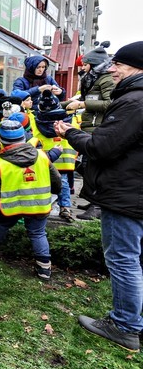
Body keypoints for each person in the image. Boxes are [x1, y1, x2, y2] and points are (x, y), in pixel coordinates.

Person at [55, 41, 143, 352]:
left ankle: (125, 325)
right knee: (132, 258)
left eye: (120, 64)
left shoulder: (134, 103)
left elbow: (102, 146)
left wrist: (70, 133)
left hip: (127, 193)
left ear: (137, 67)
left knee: (123, 259)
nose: (113, 69)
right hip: (133, 189)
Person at [0, 120, 61, 280]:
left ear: (2, 141)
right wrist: (55, 192)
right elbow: (56, 178)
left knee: (2, 225)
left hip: (11, 205)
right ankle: (44, 268)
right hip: (38, 204)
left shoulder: (0, 162)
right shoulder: (41, 156)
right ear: (24, 138)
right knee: (38, 233)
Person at [66, 43, 114, 220]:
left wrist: (83, 104)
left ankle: (97, 205)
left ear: (93, 65)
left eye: (85, 64)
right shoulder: (93, 79)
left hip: (98, 129)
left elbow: (110, 103)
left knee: (92, 167)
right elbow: (80, 100)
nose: (82, 67)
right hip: (90, 127)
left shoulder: (105, 79)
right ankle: (93, 200)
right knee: (87, 167)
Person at [33, 90, 77, 221]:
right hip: (65, 160)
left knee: (42, 183)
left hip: (45, 158)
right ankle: (65, 207)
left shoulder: (36, 121)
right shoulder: (69, 120)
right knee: (63, 182)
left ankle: (41, 207)